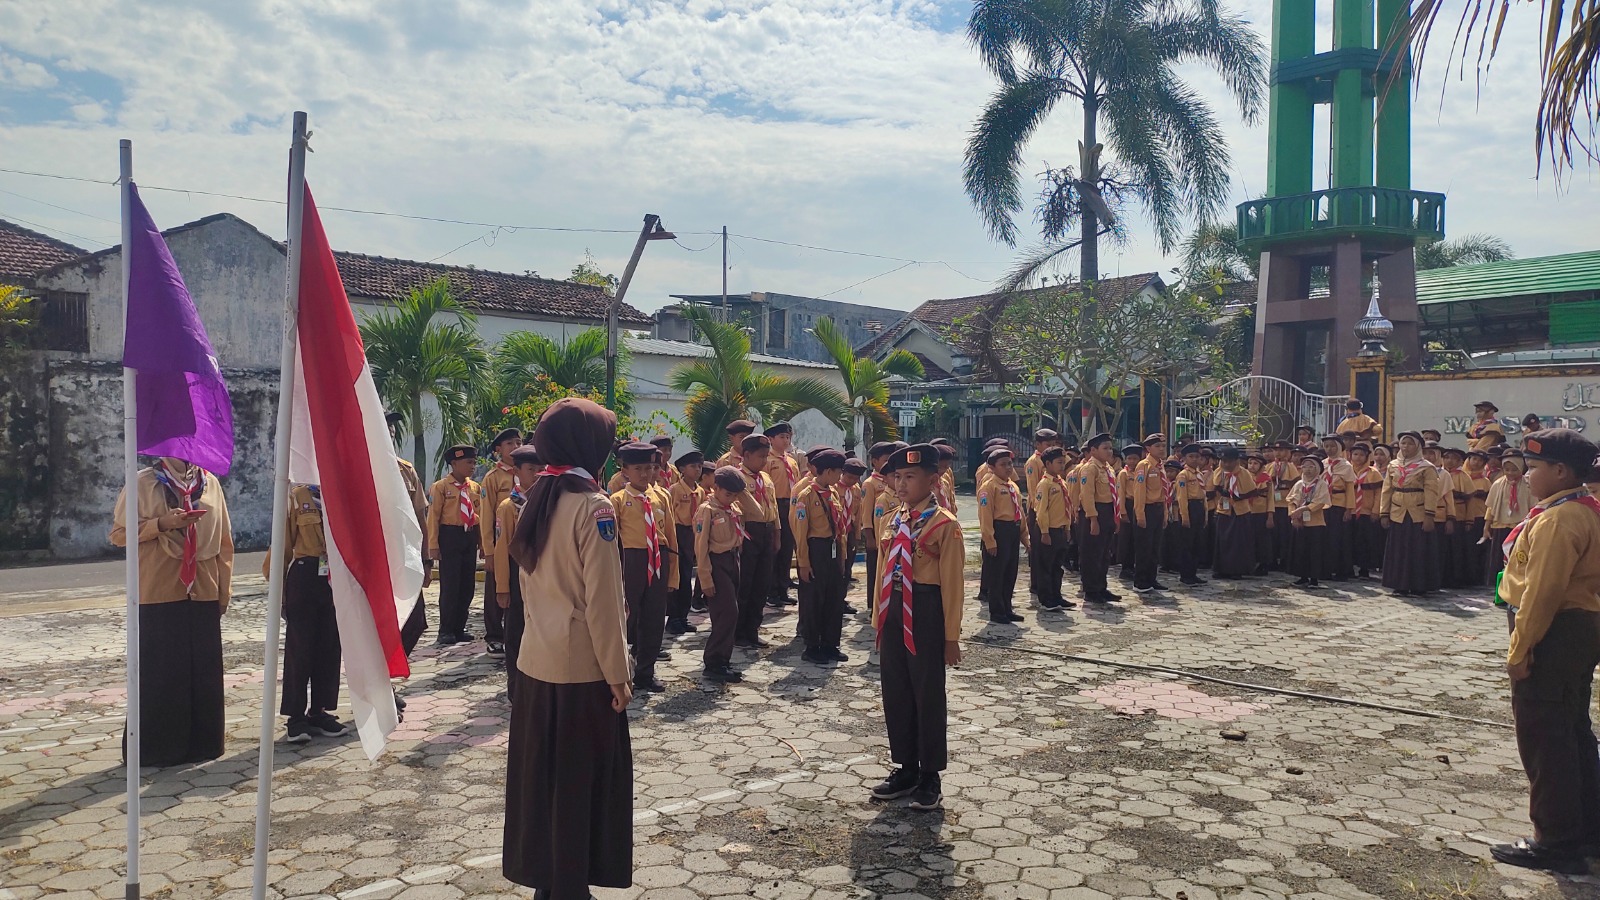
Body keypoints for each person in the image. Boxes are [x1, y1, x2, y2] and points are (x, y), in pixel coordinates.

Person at [503, 398, 632, 900]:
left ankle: (550, 881)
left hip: (537, 663)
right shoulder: (593, 506)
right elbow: (603, 603)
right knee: (580, 785)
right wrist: (619, 675)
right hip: (582, 671)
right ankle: (570, 887)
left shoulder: (539, 496)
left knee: (544, 783)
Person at [1489, 429, 1600, 874]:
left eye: (1534, 468)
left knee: (1544, 735)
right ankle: (1587, 829)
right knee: (1572, 730)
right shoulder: (1582, 510)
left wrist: (1520, 650)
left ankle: (1555, 840)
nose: (1528, 475)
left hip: (1555, 631)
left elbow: (1543, 592)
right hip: (1579, 628)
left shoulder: (1559, 519)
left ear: (1560, 471)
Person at [111, 456, 234, 767]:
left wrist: (223, 590)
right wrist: (161, 524)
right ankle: (156, 749)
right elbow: (119, 534)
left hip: (202, 588)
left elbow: (224, 542)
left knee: (202, 671)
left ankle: (203, 744)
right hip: (158, 589)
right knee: (161, 672)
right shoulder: (142, 482)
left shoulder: (209, 483)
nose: (185, 454)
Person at [870, 444, 964, 811]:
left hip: (925, 609)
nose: (902, 483)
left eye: (911, 476)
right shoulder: (892, 519)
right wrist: (879, 616)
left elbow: (953, 585)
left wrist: (951, 636)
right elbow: (881, 570)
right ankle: (905, 767)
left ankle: (930, 774)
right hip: (894, 608)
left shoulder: (945, 525)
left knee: (927, 690)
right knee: (896, 688)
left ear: (932, 480)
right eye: (897, 476)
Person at [265, 484, 349, 742]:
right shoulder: (296, 496)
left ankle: (320, 711)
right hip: (304, 574)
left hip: (334, 576)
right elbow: (281, 546)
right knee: (300, 650)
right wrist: (279, 595)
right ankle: (296, 717)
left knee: (329, 647)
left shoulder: (340, 492)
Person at [611, 442, 678, 694]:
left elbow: (670, 535)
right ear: (624, 469)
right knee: (627, 616)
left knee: (654, 616)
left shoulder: (662, 496)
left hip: (658, 558)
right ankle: (619, 669)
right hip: (631, 560)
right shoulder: (617, 500)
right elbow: (613, 540)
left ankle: (646, 671)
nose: (645, 474)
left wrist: (674, 574)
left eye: (651, 467)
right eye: (638, 468)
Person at [493, 445, 543, 698]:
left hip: (541, 576)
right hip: (516, 575)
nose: (536, 475)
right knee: (515, 633)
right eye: (531, 469)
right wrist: (502, 588)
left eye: (541, 469)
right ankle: (516, 687)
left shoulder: (546, 502)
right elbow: (502, 551)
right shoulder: (508, 507)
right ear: (517, 472)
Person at [794, 449, 851, 664]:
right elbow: (801, 534)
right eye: (838, 472)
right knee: (814, 599)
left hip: (833, 549)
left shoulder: (833, 493)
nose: (839, 477)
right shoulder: (806, 496)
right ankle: (812, 645)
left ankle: (830, 643)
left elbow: (841, 529)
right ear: (827, 471)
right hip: (815, 548)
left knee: (834, 598)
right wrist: (804, 563)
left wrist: (842, 558)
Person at [696, 467, 749, 683]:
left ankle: (723, 660)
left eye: (735, 495)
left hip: (732, 560)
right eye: (728, 494)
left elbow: (758, 513)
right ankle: (713, 661)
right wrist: (705, 579)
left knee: (730, 614)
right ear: (715, 487)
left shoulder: (733, 507)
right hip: (716, 564)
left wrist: (740, 494)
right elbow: (700, 548)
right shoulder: (706, 510)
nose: (732, 498)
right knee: (727, 613)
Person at [427, 444, 484, 646]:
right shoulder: (441, 487)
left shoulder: (474, 487)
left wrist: (482, 543)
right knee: (451, 585)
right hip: (449, 535)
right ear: (454, 463)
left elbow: (480, 516)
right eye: (468, 462)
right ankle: (446, 630)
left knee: (467, 585)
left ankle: (460, 627)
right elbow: (433, 517)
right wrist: (433, 545)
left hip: (468, 535)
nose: (473, 466)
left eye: (474, 462)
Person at [389, 412, 433, 657]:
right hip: (377, 561)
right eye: (385, 426)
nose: (391, 431)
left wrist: (426, 561)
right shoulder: (358, 468)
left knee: (415, 622)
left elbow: (420, 519)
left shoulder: (406, 470)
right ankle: (384, 685)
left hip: (407, 558)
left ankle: (389, 674)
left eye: (393, 428)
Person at [1380, 432, 1443, 596]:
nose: (1405, 447)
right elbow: (1386, 490)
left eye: (1409, 443)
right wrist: (1384, 513)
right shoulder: (1393, 465)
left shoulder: (1426, 467)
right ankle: (1398, 583)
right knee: (1398, 549)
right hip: (1397, 509)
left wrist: (1429, 515)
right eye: (1403, 443)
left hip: (1418, 510)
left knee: (1418, 549)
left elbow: (1431, 492)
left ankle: (1418, 584)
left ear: (1418, 446)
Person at [479, 428, 523, 659]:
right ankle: (494, 637)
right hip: (500, 541)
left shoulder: (528, 472)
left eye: (518, 442)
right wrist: (489, 552)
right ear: (498, 450)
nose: (515, 447)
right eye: (509, 444)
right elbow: (486, 516)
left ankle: (517, 633)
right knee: (496, 588)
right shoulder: (493, 478)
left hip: (522, 541)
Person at [735, 433, 780, 649]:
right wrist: (740, 538)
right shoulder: (737, 479)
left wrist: (777, 533)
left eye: (766, 456)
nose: (764, 461)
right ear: (746, 455)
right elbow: (736, 513)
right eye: (761, 456)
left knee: (762, 584)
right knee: (746, 583)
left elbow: (774, 509)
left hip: (767, 531)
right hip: (748, 533)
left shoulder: (766, 479)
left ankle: (753, 629)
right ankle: (739, 631)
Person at [977, 447, 1028, 623]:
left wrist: (1025, 538)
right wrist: (989, 540)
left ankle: (1007, 607)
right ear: (992, 467)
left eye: (1010, 464)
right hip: (999, 531)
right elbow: (985, 516)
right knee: (997, 573)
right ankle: (997, 611)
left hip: (1012, 530)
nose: (1008, 468)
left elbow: (1020, 512)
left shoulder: (1012, 486)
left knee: (1010, 571)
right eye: (1003, 464)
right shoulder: (988, 487)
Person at [1076, 434, 1119, 604]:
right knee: (1092, 553)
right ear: (1093, 450)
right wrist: (1093, 519)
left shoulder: (1108, 468)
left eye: (1110, 448)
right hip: (1094, 512)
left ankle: (1101, 586)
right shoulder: (1089, 468)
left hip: (1108, 511)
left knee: (1104, 553)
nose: (1109, 451)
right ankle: (1091, 589)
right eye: (1105, 448)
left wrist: (1115, 516)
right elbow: (1087, 495)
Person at [764, 422, 802, 609]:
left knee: (787, 548)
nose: (786, 440)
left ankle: (783, 587)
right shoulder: (767, 461)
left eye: (788, 437)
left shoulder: (792, 461)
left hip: (791, 504)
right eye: (782, 437)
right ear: (771, 439)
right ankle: (771, 591)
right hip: (775, 504)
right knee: (774, 549)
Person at [666, 451, 704, 636]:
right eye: (693, 466)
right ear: (681, 469)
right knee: (677, 576)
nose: (697, 470)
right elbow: (670, 515)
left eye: (699, 466)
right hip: (678, 532)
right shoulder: (674, 490)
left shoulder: (700, 491)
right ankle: (673, 618)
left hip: (693, 533)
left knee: (688, 575)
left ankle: (683, 616)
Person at [1031, 446, 1073, 611]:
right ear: (1048, 464)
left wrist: (1068, 527)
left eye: (1064, 462)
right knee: (1045, 566)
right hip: (1048, 531)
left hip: (1060, 529)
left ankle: (1057, 595)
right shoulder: (1045, 484)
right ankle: (1046, 598)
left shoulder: (1061, 482)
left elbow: (1066, 507)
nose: (1062, 465)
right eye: (1059, 462)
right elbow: (1041, 511)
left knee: (1057, 566)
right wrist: (1045, 532)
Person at [1130, 434, 1169, 593]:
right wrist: (1140, 515)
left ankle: (1152, 579)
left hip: (1159, 508)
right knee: (1144, 548)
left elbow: (1164, 492)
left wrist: (1165, 514)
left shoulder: (1160, 466)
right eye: (1157, 446)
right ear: (1148, 448)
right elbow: (1139, 492)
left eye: (1162, 446)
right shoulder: (1143, 465)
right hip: (1146, 509)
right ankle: (1140, 581)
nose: (1161, 449)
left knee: (1154, 547)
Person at [1485, 450, 1532, 583]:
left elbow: (1533, 506)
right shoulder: (1498, 484)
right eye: (1507, 469)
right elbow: (1491, 507)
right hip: (1500, 525)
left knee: (1517, 556)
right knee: (1498, 558)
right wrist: (1486, 526)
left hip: (1520, 526)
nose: (1510, 473)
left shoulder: (1528, 484)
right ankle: (1498, 586)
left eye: (1514, 469)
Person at [1286, 456, 1331, 589]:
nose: (1308, 470)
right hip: (1299, 522)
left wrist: (1305, 508)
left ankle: (1314, 578)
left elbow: (1321, 501)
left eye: (1311, 466)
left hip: (1315, 522)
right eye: (1305, 466)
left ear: (1317, 469)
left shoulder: (1321, 484)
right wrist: (1294, 515)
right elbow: (1291, 500)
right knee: (1300, 550)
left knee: (1315, 551)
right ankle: (1302, 576)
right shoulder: (1299, 484)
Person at [860, 442, 898, 601]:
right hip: (876, 536)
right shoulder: (870, 484)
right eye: (885, 459)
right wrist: (869, 537)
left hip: (892, 536)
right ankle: (873, 603)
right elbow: (866, 512)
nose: (888, 462)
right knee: (875, 571)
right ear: (874, 461)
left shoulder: (895, 481)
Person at [1210, 449, 1255, 579]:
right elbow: (1215, 486)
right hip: (1224, 510)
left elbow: (1251, 491)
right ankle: (1221, 568)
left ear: (1236, 461)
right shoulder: (1220, 472)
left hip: (1240, 510)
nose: (1226, 464)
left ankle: (1237, 569)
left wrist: (1236, 496)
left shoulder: (1244, 473)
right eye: (1223, 461)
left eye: (1229, 461)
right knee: (1222, 540)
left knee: (1238, 542)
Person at [1320, 435, 1356, 581]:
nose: (1330, 449)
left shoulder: (1346, 466)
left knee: (1339, 538)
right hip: (1323, 504)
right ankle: (1325, 568)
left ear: (1340, 447)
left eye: (1333, 446)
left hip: (1339, 504)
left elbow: (1350, 489)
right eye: (1327, 446)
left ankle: (1342, 569)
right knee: (1324, 538)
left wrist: (1349, 509)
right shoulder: (1321, 464)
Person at [1349, 443, 1384, 579]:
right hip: (1351, 511)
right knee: (1350, 540)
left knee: (1365, 541)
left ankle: (1364, 569)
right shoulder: (1347, 470)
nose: (1358, 458)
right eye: (1355, 454)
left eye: (1361, 455)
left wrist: (1376, 511)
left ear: (1367, 457)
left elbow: (1378, 493)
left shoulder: (1373, 473)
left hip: (1366, 512)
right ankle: (1350, 567)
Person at [1175, 444, 1208, 587]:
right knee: (1187, 544)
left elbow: (1204, 496)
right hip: (1190, 507)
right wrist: (1185, 516)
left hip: (1199, 507)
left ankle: (1193, 573)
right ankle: (1185, 575)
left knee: (1197, 543)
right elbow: (1181, 497)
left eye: (1197, 457)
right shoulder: (1183, 475)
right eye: (1191, 457)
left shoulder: (1199, 474)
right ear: (1184, 458)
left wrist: (1205, 514)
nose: (1194, 459)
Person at [1440, 447, 1473, 588]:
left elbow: (1470, 501)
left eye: (1454, 458)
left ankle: (1456, 578)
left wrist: (1469, 519)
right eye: (1447, 457)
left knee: (1456, 549)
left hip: (1459, 516)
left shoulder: (1463, 476)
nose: (1450, 461)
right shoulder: (1439, 474)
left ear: (1460, 461)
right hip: (1441, 515)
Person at [1463, 450, 1493, 586]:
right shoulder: (1462, 476)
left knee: (1477, 548)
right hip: (1463, 515)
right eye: (1474, 459)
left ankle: (1476, 577)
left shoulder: (1485, 481)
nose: (1476, 462)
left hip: (1480, 515)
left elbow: (1490, 499)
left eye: (1480, 460)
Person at [1116, 445, 1144, 582]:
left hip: (1138, 505)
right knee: (1126, 539)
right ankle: (1125, 567)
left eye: (1135, 458)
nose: (1132, 461)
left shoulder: (1140, 473)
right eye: (1129, 458)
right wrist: (1123, 512)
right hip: (1127, 504)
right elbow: (1120, 493)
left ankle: (1134, 565)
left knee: (1137, 538)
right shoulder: (1123, 474)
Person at [1244, 452, 1274, 576]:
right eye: (1250, 463)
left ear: (1261, 466)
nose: (1252, 466)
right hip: (1247, 511)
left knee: (1262, 541)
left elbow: (1270, 499)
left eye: (1256, 463)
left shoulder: (1267, 480)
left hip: (1261, 513)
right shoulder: (1245, 478)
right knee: (1248, 539)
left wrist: (1270, 516)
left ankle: (1263, 565)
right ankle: (1249, 564)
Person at [1267, 442, 1296, 571]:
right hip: (1272, 503)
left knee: (1285, 534)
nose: (1278, 453)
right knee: (1272, 534)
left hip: (1285, 503)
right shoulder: (1269, 466)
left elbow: (1295, 484)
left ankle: (1285, 560)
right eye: (1276, 450)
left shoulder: (1291, 467)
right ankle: (1272, 559)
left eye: (1282, 450)